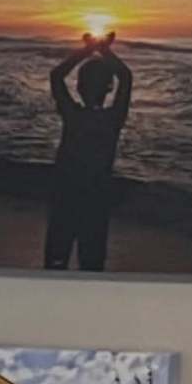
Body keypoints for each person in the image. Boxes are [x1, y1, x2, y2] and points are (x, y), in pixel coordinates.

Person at [44, 28, 135, 271]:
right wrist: (104, 50)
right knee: (91, 263)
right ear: (109, 89)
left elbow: (56, 75)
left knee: (56, 259)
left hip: (67, 194)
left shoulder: (73, 115)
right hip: (96, 197)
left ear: (79, 87)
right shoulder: (113, 119)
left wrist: (88, 50)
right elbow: (126, 77)